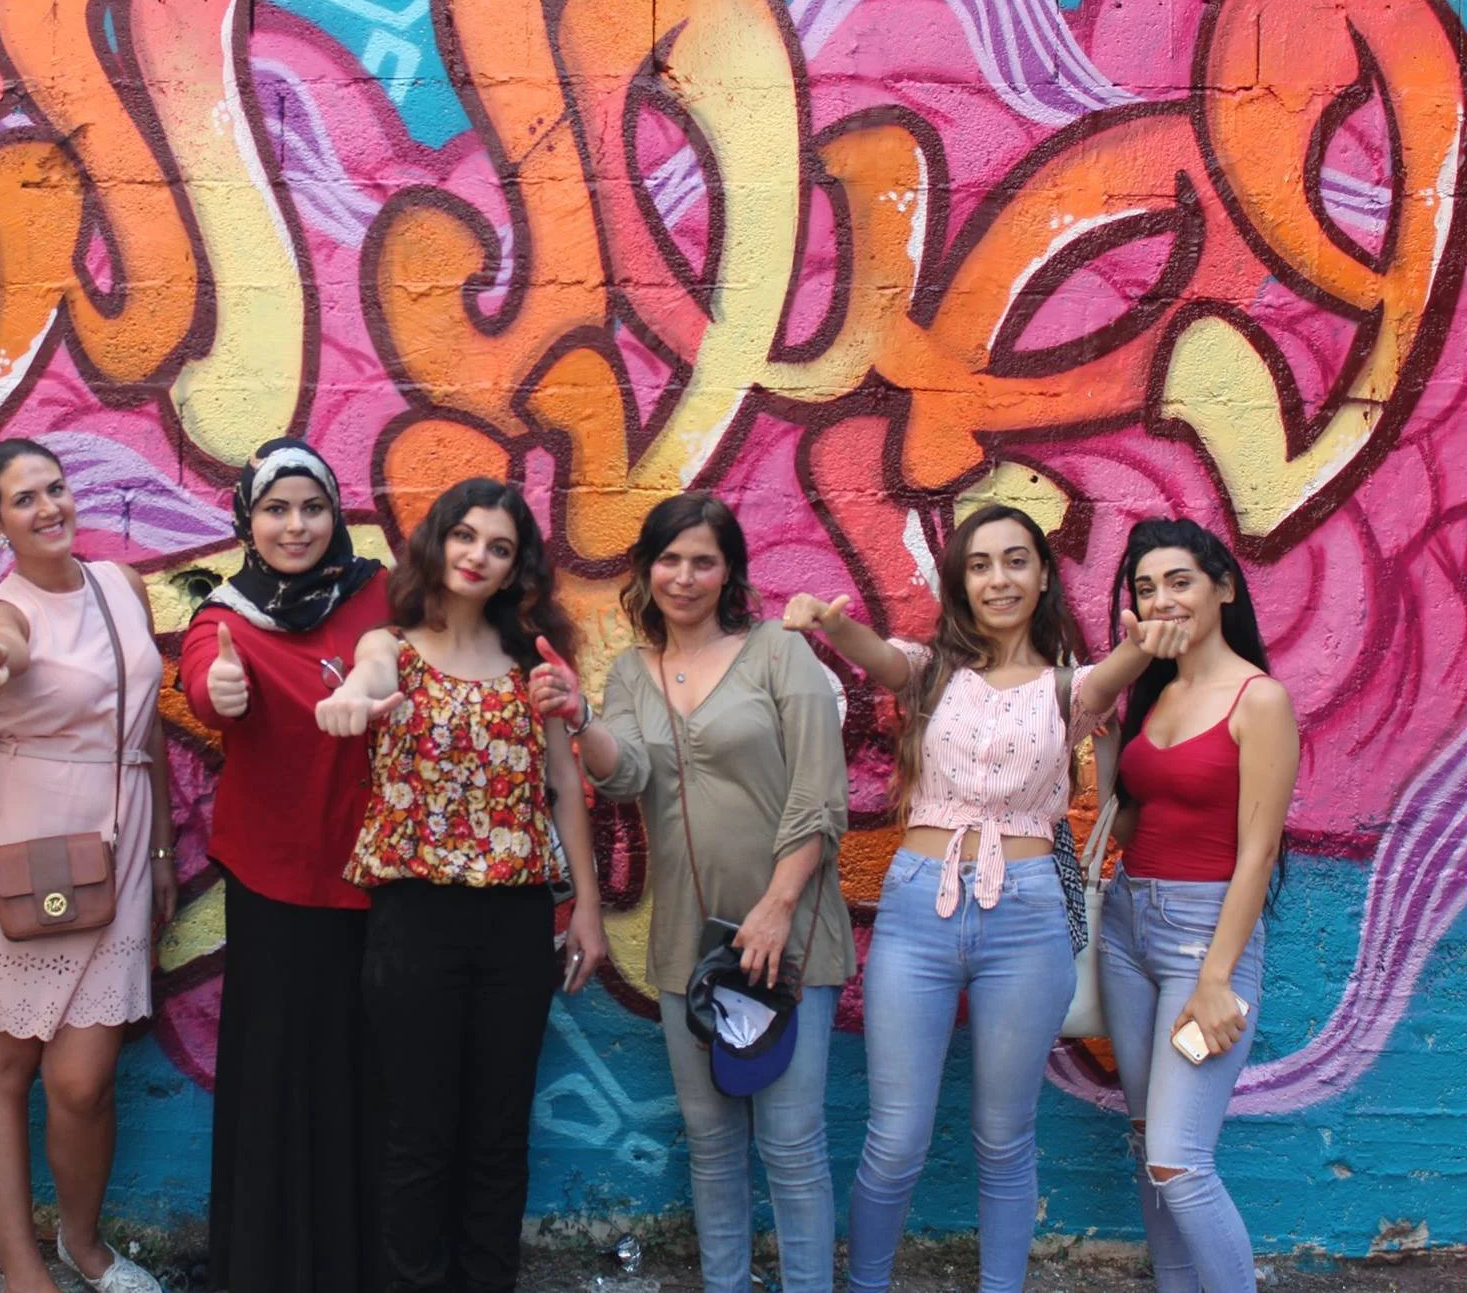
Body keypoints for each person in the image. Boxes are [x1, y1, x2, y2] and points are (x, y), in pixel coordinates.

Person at [783, 503, 1186, 1293]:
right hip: (916, 912)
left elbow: (1112, 675)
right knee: (896, 1138)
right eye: (979, 564)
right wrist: (831, 622)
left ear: (1042, 577)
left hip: (1029, 915)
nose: (998, 578)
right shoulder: (934, 669)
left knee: (1006, 1138)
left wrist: (1141, 647)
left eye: (1015, 561)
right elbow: (878, 658)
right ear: (960, 583)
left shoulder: (1071, 685)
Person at [530, 493, 851, 1293]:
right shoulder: (634, 671)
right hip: (692, 946)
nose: (684, 575)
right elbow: (629, 771)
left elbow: (822, 794)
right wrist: (580, 716)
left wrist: (777, 907)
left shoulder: (780, 652)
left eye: (703, 560)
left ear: (729, 571)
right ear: (645, 569)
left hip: (794, 936)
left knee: (791, 1144)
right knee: (711, 1144)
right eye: (668, 559)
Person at [315, 476, 610, 1293]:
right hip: (415, 918)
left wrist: (584, 908)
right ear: (438, 541)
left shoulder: (532, 663)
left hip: (516, 921)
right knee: (418, 1134)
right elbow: (367, 681)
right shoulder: (393, 648)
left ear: (518, 568)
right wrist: (351, 697)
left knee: (497, 1134)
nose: (478, 555)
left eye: (500, 547)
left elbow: (564, 790)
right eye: (466, 536)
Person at [0, 438, 174, 1293]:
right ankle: (21, 1267)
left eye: (56, 489)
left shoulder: (121, 586)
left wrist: (164, 846)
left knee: (82, 1079)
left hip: (122, 842)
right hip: (31, 855)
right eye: (24, 500)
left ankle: (84, 1241)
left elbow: (145, 727)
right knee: (3, 1068)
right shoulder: (3, 610)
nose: (49, 508)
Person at [178, 436, 390, 1293]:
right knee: (276, 1082)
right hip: (276, 889)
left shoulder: (379, 592)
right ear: (248, 521)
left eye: (311, 507)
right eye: (275, 508)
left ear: (335, 513)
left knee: (373, 1078)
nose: (295, 525)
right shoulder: (224, 619)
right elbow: (203, 681)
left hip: (386, 883)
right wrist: (218, 694)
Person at [1100, 518, 1296, 1293]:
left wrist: (1217, 978)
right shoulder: (1151, 691)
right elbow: (1130, 819)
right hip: (1125, 927)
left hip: (1200, 942)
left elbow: (1259, 851)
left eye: (1179, 580)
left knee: (1181, 1160)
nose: (1162, 599)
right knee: (1150, 1140)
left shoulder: (1261, 700)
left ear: (1224, 587)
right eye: (1145, 587)